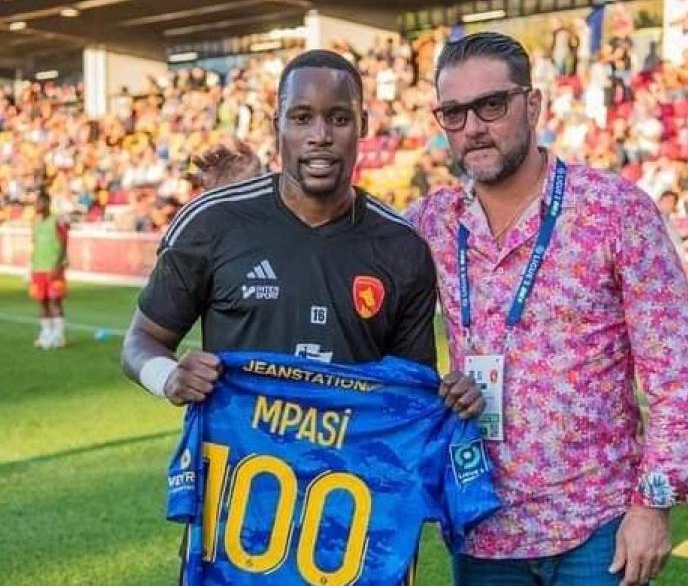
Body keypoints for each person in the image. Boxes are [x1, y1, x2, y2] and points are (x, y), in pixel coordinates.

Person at [120, 49, 484, 577]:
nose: (320, 135)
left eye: (338, 118)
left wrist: (451, 398)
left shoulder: (401, 247)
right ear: (277, 126)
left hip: (354, 537)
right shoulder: (214, 222)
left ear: (361, 126)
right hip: (233, 531)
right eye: (301, 117)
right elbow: (139, 343)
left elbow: (410, 396)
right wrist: (169, 376)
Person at [407, 32, 688, 586]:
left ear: (534, 104)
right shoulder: (431, 222)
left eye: (491, 105)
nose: (473, 126)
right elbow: (338, 257)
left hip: (598, 527)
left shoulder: (614, 210)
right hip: (482, 525)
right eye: (454, 113)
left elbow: (679, 369)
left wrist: (653, 504)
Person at [29, 190, 69, 349]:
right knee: (42, 302)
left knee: (55, 301)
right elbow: (35, 245)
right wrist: (31, 266)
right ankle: (46, 333)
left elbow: (64, 243)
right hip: (38, 268)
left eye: (40, 202)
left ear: (47, 203)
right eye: (36, 202)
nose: (37, 205)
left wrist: (58, 265)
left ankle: (59, 336)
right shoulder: (36, 223)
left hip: (54, 268)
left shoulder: (57, 221)